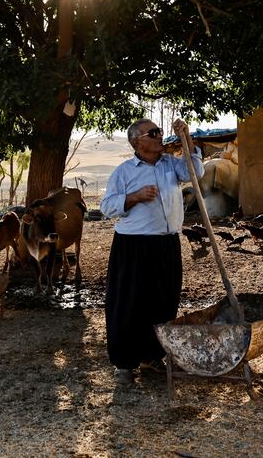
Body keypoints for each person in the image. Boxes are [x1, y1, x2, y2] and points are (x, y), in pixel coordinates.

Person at [99, 118, 204, 385]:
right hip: (133, 246)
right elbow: (107, 207)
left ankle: (152, 357)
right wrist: (134, 196)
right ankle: (124, 363)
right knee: (129, 304)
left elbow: (195, 173)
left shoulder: (171, 165)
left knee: (163, 300)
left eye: (159, 131)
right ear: (137, 142)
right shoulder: (124, 172)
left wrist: (186, 137)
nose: (159, 136)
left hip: (166, 244)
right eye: (153, 133)